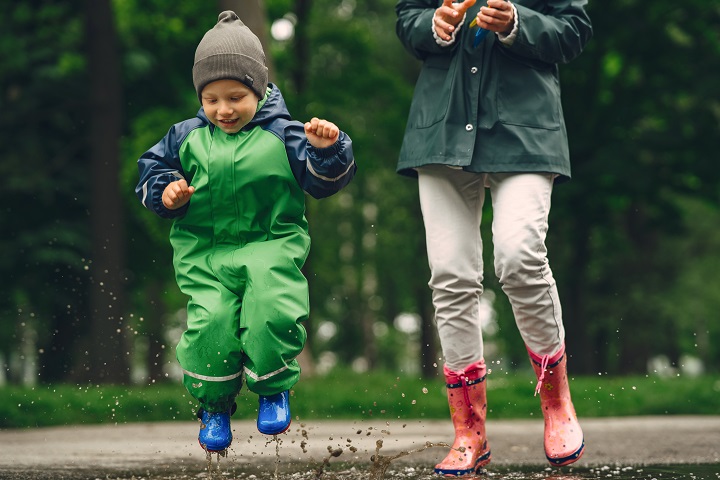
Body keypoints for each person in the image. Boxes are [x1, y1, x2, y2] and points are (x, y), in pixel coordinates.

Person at [135, 11, 356, 453]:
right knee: (211, 323)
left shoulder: (286, 134)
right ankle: (214, 405)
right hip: (206, 256)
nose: (224, 110)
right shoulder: (186, 138)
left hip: (270, 247)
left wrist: (329, 150)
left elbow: (323, 181)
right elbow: (149, 172)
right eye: (211, 99)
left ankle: (273, 388)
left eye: (236, 96)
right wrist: (167, 192)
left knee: (270, 311)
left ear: (259, 89)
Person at [395, 0, 592, 475]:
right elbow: (408, 18)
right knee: (450, 274)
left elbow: (573, 30)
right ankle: (469, 431)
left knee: (519, 255)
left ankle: (557, 402)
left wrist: (518, 25)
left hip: (526, 130)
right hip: (440, 128)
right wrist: (435, 26)